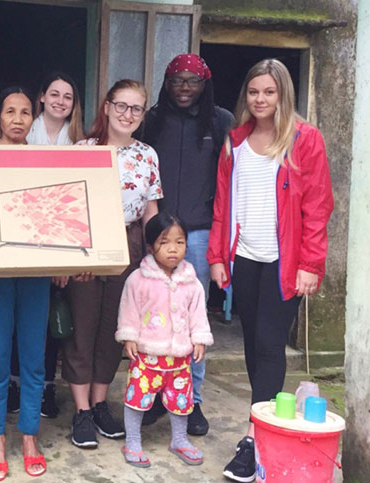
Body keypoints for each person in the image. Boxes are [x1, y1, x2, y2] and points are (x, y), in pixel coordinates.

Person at [207, 59, 333, 482]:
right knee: (249, 345)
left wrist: (311, 264)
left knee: (268, 344)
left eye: (270, 92)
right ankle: (260, 421)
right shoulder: (235, 141)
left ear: (284, 94)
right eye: (254, 92)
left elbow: (317, 207)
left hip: (285, 263)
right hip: (244, 258)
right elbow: (223, 204)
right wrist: (217, 257)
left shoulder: (304, 139)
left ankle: (251, 438)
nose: (260, 100)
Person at [62, 79, 163, 449]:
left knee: (115, 328)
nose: (127, 114)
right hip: (86, 242)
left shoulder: (148, 155)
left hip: (129, 243)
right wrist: (70, 258)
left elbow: (151, 211)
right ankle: (81, 409)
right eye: (121, 105)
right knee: (83, 325)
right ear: (106, 106)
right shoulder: (83, 149)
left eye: (136, 108)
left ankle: (101, 402)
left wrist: (156, 257)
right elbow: (67, 205)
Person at [140, 53, 234, 435]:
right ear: (167, 83)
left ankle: (191, 399)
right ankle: (154, 395)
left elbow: (230, 180)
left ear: (204, 84)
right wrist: (151, 231)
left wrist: (220, 236)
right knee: (153, 313)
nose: (184, 88)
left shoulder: (221, 121)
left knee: (192, 319)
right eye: (176, 80)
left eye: (192, 81)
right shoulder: (152, 120)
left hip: (198, 233)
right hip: (156, 230)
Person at [0, 87, 49, 481]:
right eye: (10, 111)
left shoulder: (45, 160)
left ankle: (28, 436)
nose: (18, 119)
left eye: (26, 112)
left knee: (33, 357)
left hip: (37, 269)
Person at [6, 72, 85, 419]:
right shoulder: (23, 134)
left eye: (67, 97)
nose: (60, 101)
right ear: (41, 97)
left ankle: (46, 390)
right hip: (20, 235)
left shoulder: (82, 141)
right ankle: (13, 384)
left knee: (52, 325)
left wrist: (62, 263)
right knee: (12, 321)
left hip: (62, 242)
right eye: (54, 94)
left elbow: (77, 202)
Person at [116, 212, 213, 468]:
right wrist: (129, 336)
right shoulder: (138, 280)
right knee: (137, 398)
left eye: (180, 242)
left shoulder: (191, 282)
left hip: (179, 358)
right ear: (150, 246)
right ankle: (133, 441)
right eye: (165, 242)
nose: (173, 249)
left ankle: (179, 440)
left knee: (181, 401)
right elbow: (129, 310)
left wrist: (199, 339)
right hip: (147, 356)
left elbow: (198, 314)